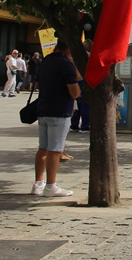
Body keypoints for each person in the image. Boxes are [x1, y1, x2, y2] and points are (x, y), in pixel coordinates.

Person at [32, 40, 81, 197]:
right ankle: (51, 186)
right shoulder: (65, 64)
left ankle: (38, 183)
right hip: (59, 110)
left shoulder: (46, 61)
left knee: (43, 147)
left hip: (43, 108)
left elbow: (38, 84)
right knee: (55, 149)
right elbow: (75, 92)